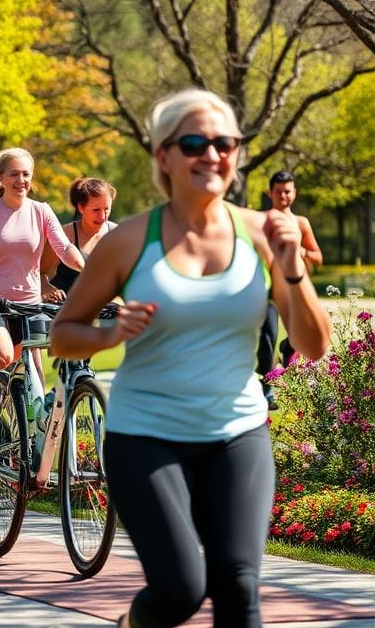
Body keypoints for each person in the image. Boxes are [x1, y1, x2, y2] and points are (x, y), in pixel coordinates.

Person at [49, 89, 330, 628]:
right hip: (146, 434)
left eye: (224, 143)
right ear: (164, 156)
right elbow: (63, 336)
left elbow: (314, 347)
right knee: (180, 591)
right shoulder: (129, 241)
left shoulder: (262, 235)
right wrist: (111, 335)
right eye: (195, 143)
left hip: (237, 432)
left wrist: (293, 270)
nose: (212, 155)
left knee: (239, 588)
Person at [0, 147, 85, 406]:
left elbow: (64, 249)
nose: (21, 180)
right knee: (2, 357)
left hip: (29, 304)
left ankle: (30, 438)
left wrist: (87, 268)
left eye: (26, 174)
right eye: (14, 174)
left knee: (34, 375)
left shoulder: (41, 211)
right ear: (1, 177)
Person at [257, 170, 324, 381]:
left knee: (297, 335)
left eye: (287, 191)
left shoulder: (301, 223)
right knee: (268, 335)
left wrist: (297, 249)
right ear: (270, 193)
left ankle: (288, 347)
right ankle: (267, 389)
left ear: (294, 193)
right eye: (279, 192)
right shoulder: (260, 221)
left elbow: (318, 257)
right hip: (267, 287)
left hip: (294, 287)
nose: (283, 196)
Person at [47, 177, 117, 297]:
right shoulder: (64, 234)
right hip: (63, 308)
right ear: (81, 208)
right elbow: (40, 274)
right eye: (96, 210)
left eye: (106, 209)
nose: (102, 216)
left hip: (103, 309)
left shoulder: (117, 234)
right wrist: (48, 290)